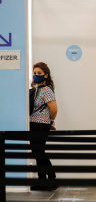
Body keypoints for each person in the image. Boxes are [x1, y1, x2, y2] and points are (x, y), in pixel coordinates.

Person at [30, 62, 58, 191]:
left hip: (41, 124)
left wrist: (51, 121)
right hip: (33, 124)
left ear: (46, 75)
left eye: (39, 73)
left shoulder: (46, 89)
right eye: (35, 73)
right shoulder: (36, 89)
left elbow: (54, 109)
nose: (36, 75)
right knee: (37, 152)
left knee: (39, 152)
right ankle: (42, 180)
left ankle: (52, 179)